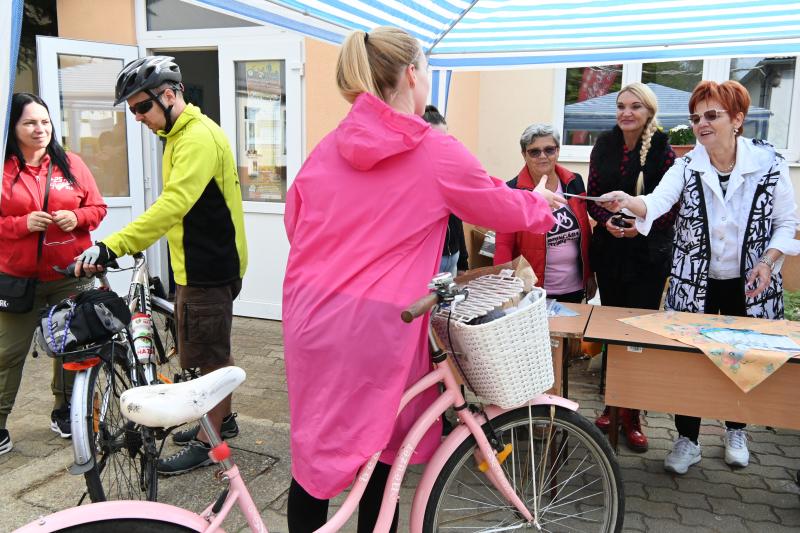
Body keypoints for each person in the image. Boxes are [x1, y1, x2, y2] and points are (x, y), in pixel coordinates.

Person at [282, 26, 564, 533]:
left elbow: (294, 221)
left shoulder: (328, 147)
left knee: (314, 446)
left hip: (308, 312)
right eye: (429, 70)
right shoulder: (433, 149)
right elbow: (497, 205)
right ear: (413, 74)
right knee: (386, 449)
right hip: (378, 321)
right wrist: (538, 205)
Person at [598, 80, 798, 474]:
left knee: (743, 358)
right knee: (689, 363)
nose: (701, 124)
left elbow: (786, 222)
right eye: (696, 118)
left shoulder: (769, 163)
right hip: (695, 283)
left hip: (751, 285)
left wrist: (768, 260)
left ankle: (735, 429)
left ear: (737, 119)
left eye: (712, 115)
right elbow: (655, 203)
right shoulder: (687, 165)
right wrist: (627, 200)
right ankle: (687, 439)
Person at [74, 56, 248, 475]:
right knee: (207, 352)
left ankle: (211, 441)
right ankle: (222, 420)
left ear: (169, 95)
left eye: (141, 107)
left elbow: (173, 205)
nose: (137, 118)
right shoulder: (180, 135)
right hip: (202, 265)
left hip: (208, 270)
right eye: (132, 110)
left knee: (209, 360)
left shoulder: (196, 139)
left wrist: (113, 245)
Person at [0, 93, 107, 455]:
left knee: (71, 346)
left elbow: (98, 207)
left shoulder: (71, 164)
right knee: (7, 353)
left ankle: (65, 412)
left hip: (70, 274)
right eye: (30, 122)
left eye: (44, 121)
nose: (39, 129)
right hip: (18, 280)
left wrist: (77, 217)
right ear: (13, 127)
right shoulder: (3, 168)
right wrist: (21, 223)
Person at [587, 82, 678, 453]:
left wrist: (638, 228)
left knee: (636, 335)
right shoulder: (603, 145)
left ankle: (633, 413)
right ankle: (612, 404)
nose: (626, 112)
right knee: (612, 332)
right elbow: (592, 198)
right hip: (610, 255)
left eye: (635, 107)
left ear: (649, 112)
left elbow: (671, 208)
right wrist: (605, 222)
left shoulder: (665, 152)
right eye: (621, 106)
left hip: (647, 258)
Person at [494, 124, 595, 303]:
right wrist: (503, 286)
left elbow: (585, 231)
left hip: (574, 287)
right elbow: (503, 245)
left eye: (549, 150)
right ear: (524, 155)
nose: (542, 156)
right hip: (533, 288)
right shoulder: (512, 191)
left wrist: (589, 274)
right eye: (534, 152)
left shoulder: (574, 182)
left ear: (557, 151)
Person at [422, 105, 469, 276]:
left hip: (453, 258)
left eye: (445, 139)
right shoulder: (413, 177)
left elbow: (457, 219)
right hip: (429, 262)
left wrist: (463, 260)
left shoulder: (450, 173)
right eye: (434, 139)